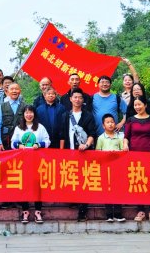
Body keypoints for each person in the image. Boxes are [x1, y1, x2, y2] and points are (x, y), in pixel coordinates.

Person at [123, 95, 150, 223]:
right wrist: (125, 145)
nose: (137, 107)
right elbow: (126, 137)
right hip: (134, 154)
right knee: (138, 181)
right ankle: (140, 210)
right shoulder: (130, 120)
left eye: (139, 104)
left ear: (145, 105)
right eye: (135, 105)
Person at [59, 88, 96, 221]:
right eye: (75, 97)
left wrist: (86, 145)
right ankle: (73, 200)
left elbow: (92, 134)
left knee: (83, 180)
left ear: (83, 100)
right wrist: (61, 153)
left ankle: (82, 211)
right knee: (72, 178)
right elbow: (62, 135)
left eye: (80, 97)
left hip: (84, 153)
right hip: (70, 152)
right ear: (70, 99)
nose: (77, 100)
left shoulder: (88, 116)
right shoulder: (65, 115)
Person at [11, 105, 50, 224]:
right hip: (23, 161)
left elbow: (47, 140)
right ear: (23, 115)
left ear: (34, 114)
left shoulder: (40, 127)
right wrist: (19, 145)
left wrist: (39, 145)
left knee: (37, 185)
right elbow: (13, 143)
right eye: (26, 113)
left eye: (31, 112)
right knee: (24, 185)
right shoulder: (18, 128)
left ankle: (38, 211)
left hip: (37, 161)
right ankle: (25, 211)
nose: (29, 115)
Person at [95, 114, 126, 222]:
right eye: (107, 122)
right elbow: (97, 153)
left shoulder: (119, 137)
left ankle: (118, 213)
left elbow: (123, 152)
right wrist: (106, 155)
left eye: (112, 122)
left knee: (117, 190)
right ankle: (109, 214)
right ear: (103, 126)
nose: (110, 124)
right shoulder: (101, 138)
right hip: (105, 168)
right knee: (107, 190)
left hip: (117, 168)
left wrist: (116, 154)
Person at [0, 82, 26, 150]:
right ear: (7, 91)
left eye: (16, 89)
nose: (14, 91)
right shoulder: (1, 106)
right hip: (5, 140)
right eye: (12, 89)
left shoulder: (25, 106)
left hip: (21, 141)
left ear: (20, 91)